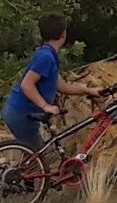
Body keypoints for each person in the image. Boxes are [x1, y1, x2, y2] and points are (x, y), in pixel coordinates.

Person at [3, 15, 101, 150]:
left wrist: (87, 90)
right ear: (63, 34)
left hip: (21, 113)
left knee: (33, 157)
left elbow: (61, 85)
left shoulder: (49, 54)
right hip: (20, 113)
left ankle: (20, 169)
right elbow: (27, 84)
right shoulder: (46, 57)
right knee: (39, 156)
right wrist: (45, 106)